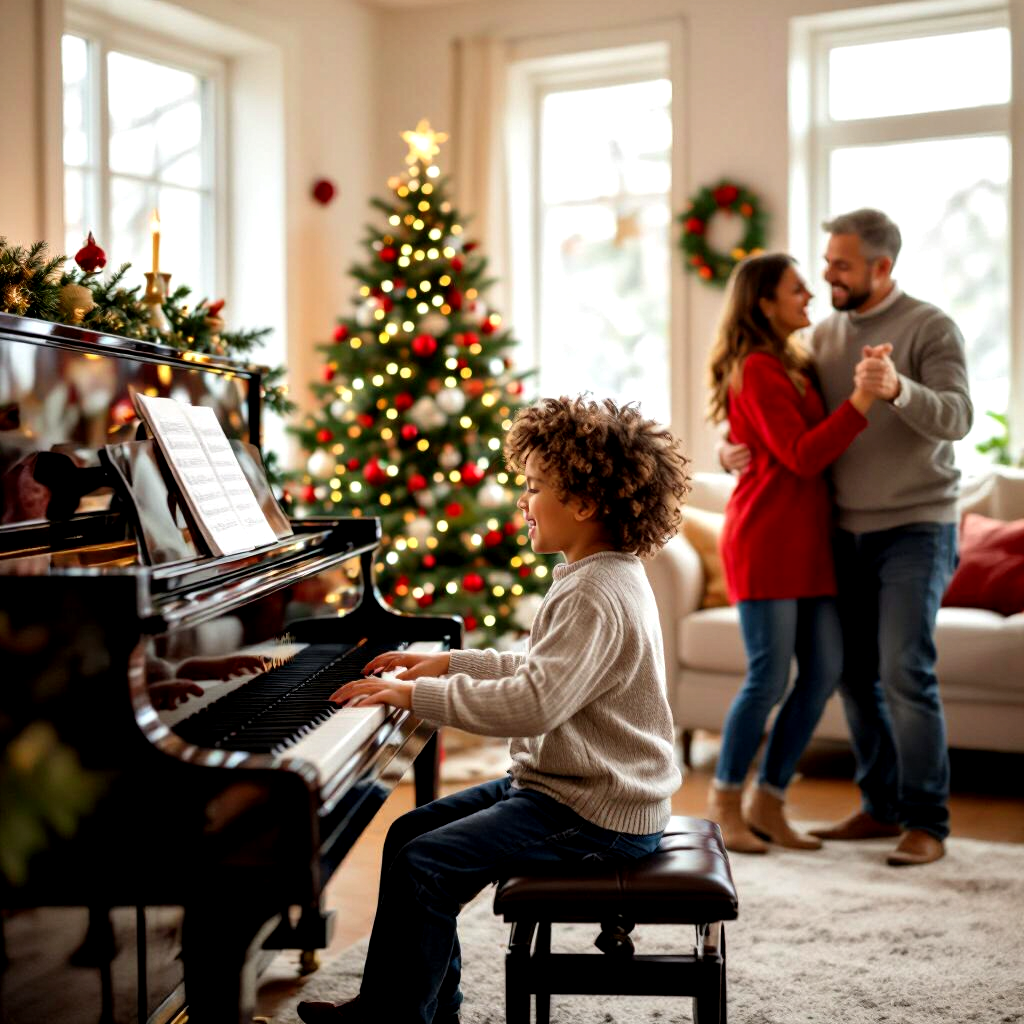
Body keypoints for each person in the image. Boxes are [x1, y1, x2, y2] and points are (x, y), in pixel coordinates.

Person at [297, 395, 691, 1024]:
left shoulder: (594, 590)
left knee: (425, 867)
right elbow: (546, 670)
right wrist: (449, 664)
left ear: (585, 504)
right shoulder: (599, 572)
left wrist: (411, 695)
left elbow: (533, 703)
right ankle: (417, 1005)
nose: (522, 502)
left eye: (534, 488)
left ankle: (393, 1020)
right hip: (568, 789)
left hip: (598, 812)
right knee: (410, 833)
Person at [722, 209, 972, 866]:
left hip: (916, 526)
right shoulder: (818, 338)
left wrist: (897, 389)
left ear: (881, 267)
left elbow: (959, 416)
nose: (825, 275)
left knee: (903, 670)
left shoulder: (929, 325)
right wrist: (732, 447)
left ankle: (926, 821)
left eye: (839, 265)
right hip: (839, 532)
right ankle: (880, 805)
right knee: (854, 678)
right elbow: (777, 417)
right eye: (822, 264)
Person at [705, 252, 881, 855]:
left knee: (824, 670)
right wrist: (860, 403)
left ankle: (770, 800)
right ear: (764, 302)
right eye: (797, 289)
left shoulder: (796, 358)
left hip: (808, 542)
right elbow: (801, 455)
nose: (809, 296)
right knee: (768, 677)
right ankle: (725, 802)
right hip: (766, 539)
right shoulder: (755, 367)